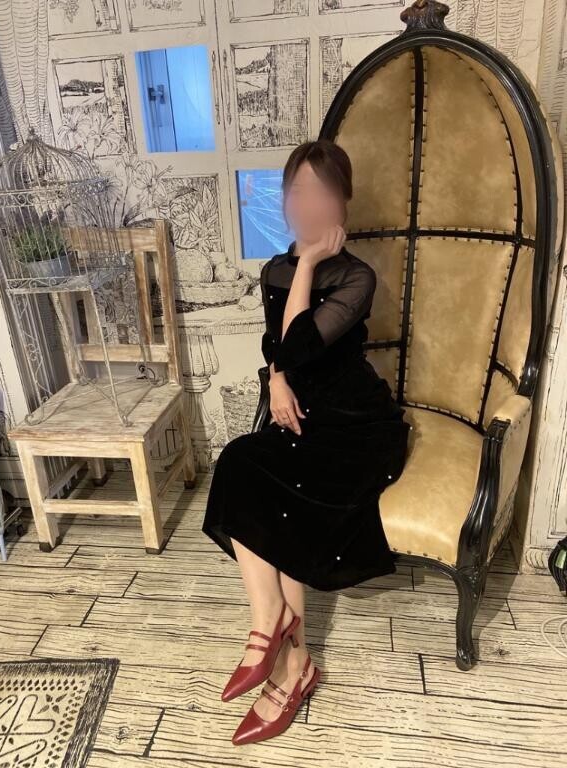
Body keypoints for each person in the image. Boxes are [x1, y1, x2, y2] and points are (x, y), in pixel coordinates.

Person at [201, 138, 411, 746]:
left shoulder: (357, 276)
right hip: (301, 414)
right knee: (238, 461)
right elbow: (276, 351)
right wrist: (275, 381)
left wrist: (313, 261)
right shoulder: (274, 268)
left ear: (343, 200)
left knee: (281, 495)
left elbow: (297, 345)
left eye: (322, 192)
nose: (307, 203)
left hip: (355, 424)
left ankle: (285, 659)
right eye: (298, 191)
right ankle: (280, 637)